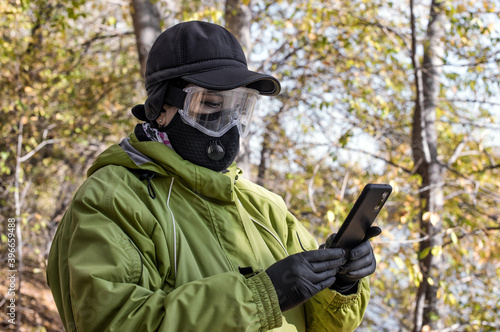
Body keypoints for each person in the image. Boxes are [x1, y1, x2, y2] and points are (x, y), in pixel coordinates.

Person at [47, 20, 381, 332]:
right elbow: (116, 321)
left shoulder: (263, 205)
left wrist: (341, 282)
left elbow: (327, 326)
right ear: (160, 109)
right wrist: (265, 295)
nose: (229, 123)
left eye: (240, 107)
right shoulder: (112, 199)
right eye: (209, 105)